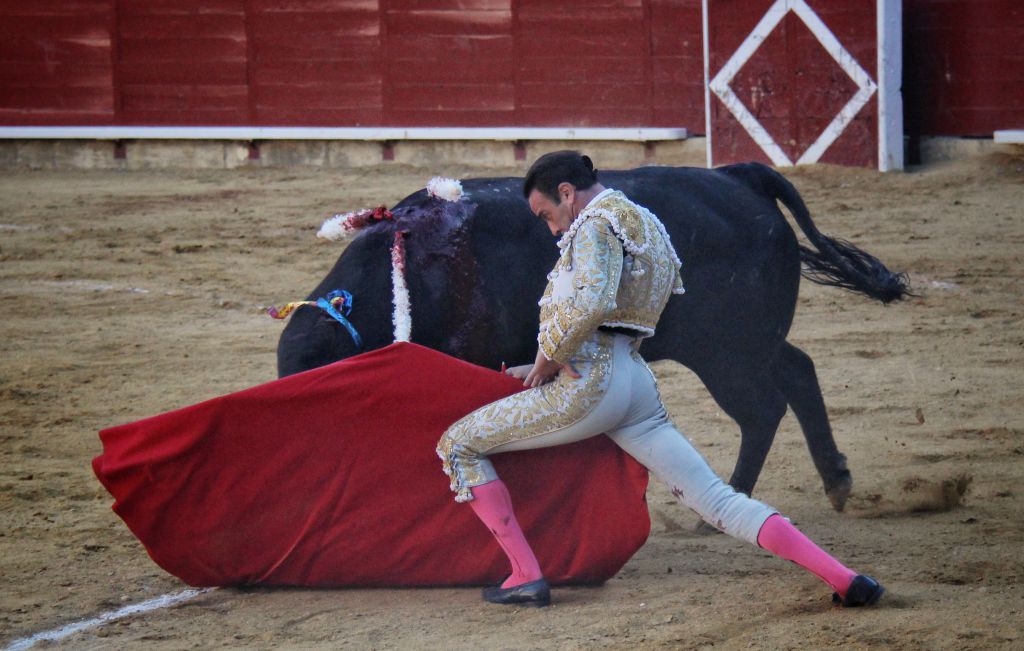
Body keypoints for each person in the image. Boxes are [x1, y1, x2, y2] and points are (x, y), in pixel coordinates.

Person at [436, 151, 884, 608]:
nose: (551, 228)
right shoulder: (644, 221)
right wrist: (541, 363)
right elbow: (650, 299)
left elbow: (590, 306)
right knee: (718, 500)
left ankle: (525, 575)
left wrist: (552, 357)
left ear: (567, 194)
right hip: (635, 381)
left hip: (590, 386)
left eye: (548, 214)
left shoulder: (593, 227)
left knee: (457, 445)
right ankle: (845, 577)